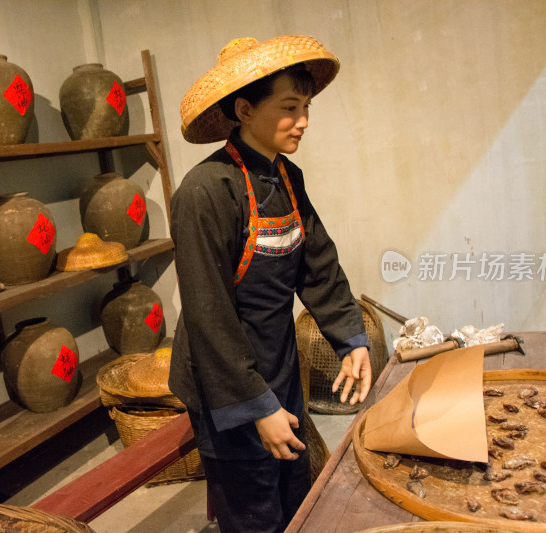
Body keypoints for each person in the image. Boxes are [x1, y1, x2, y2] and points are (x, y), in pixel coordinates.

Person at [169, 35, 372, 533]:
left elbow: (318, 264)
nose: (303, 120)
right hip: (225, 382)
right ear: (244, 109)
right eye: (288, 107)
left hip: (278, 362)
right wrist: (256, 406)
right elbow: (207, 314)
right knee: (253, 508)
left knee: (293, 493)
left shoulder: (287, 177)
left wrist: (351, 338)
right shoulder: (204, 192)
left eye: (305, 106)